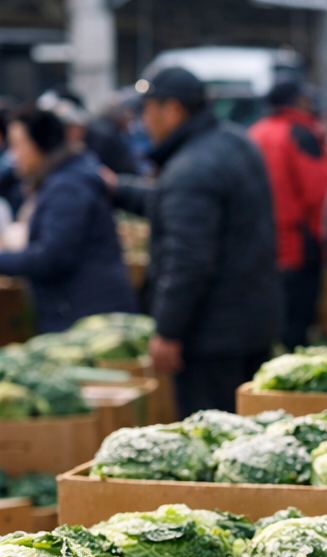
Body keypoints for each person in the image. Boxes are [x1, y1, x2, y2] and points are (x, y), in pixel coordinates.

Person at [110, 68, 279, 415]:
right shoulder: (235, 142)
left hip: (211, 336)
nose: (143, 121)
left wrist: (168, 331)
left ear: (171, 109)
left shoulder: (190, 168)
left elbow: (188, 260)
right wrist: (119, 190)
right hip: (253, 321)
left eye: (147, 110)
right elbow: (175, 206)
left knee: (214, 434)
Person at [0, 106, 134, 332]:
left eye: (18, 144)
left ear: (41, 144)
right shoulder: (62, 178)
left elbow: (53, 256)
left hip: (88, 315)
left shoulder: (67, 186)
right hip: (79, 309)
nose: (14, 155)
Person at [250, 80, 327, 351]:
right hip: (298, 246)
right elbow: (320, 194)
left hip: (259, 245)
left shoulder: (254, 133)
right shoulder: (302, 133)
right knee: (296, 326)